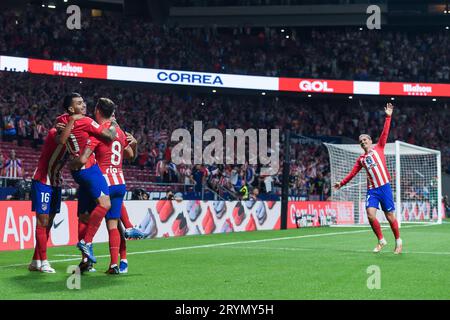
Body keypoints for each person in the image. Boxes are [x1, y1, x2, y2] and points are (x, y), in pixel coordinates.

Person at [69, 98, 142, 274]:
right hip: (120, 181)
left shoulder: (98, 133)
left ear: (97, 111)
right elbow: (131, 155)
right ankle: (115, 264)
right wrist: (135, 144)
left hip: (102, 180)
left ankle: (86, 253)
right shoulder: (121, 132)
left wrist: (73, 164)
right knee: (114, 225)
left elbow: (85, 157)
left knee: (85, 218)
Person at [334, 103, 402, 254]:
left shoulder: (379, 148)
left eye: (365, 140)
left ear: (370, 141)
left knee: (390, 217)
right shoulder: (361, 160)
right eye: (361, 142)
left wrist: (388, 117)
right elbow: (353, 173)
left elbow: (385, 132)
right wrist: (342, 183)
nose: (363, 142)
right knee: (371, 215)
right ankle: (381, 240)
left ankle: (398, 241)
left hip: (384, 187)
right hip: (372, 190)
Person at [57, 93, 117, 265]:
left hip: (79, 170)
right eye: (79, 103)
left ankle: (85, 261)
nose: (83, 105)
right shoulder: (86, 120)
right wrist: (112, 124)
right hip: (88, 168)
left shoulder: (65, 119)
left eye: (83, 102)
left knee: (84, 215)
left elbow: (61, 135)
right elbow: (109, 136)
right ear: (71, 108)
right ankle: (86, 242)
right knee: (105, 204)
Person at [28, 121, 78, 273]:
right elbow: (59, 138)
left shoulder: (72, 140)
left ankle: (35, 260)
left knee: (48, 223)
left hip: (56, 183)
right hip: (42, 180)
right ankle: (44, 262)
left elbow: (77, 157)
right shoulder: (53, 133)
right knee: (42, 221)